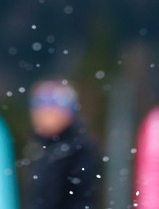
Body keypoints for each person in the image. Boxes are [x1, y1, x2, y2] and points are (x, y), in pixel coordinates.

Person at [22, 80, 101, 209]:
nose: (42, 118)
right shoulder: (38, 146)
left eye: (49, 112)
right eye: (38, 111)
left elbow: (82, 197)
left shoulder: (77, 149)